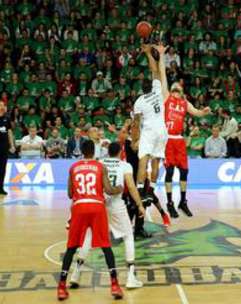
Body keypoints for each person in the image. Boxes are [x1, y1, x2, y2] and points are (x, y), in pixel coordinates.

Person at [70, 142, 146, 289]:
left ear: (107, 152)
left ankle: (76, 273)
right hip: (116, 202)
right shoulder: (125, 165)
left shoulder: (99, 162)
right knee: (128, 236)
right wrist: (139, 205)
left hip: (99, 202)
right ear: (120, 152)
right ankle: (131, 277)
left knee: (89, 236)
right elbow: (130, 186)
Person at [57, 140, 124, 301]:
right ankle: (114, 284)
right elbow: (108, 189)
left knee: (71, 247)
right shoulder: (100, 166)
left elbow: (69, 193)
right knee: (106, 246)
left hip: (79, 207)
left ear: (81, 151)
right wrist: (119, 189)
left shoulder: (73, 167)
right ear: (94, 151)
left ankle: (61, 287)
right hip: (96, 207)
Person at [154, 44, 211, 218]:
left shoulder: (185, 103)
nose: (175, 91)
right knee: (170, 171)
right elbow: (163, 75)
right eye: (173, 89)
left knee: (184, 171)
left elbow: (197, 113)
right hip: (168, 139)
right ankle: (170, 203)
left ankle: (183, 201)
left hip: (179, 139)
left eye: (177, 89)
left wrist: (204, 112)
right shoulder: (166, 99)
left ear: (181, 91)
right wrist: (162, 56)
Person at [132, 45, 168, 204]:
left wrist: (135, 140)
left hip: (149, 131)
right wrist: (149, 54)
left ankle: (140, 192)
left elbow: (136, 124)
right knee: (156, 162)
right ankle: (151, 191)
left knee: (143, 161)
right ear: (151, 86)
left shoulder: (139, 102)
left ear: (141, 89)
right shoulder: (157, 90)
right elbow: (155, 70)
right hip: (162, 130)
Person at [0, 101, 15, 195]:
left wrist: (12, 145)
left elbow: (9, 132)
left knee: (2, 168)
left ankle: (1, 188)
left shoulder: (6, 118)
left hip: (4, 148)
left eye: (3, 105)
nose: (2, 107)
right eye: (0, 105)